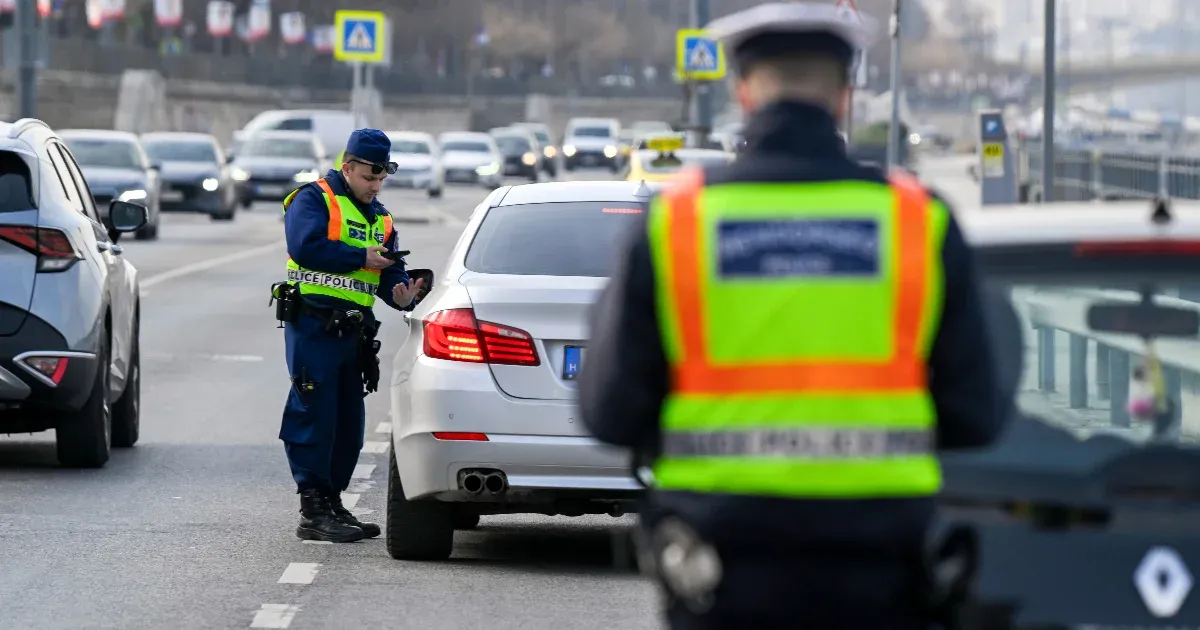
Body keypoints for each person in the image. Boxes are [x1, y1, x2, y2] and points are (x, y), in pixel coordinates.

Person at [577, 3, 1007, 628]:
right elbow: (976, 415)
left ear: (743, 91)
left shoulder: (678, 222)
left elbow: (610, 411)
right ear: (844, 94)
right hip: (881, 563)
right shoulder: (919, 220)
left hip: (720, 564)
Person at [279, 129, 425, 543]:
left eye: (381, 179)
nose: (375, 186)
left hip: (354, 332)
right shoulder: (314, 199)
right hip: (313, 324)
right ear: (348, 167)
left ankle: (333, 500)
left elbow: (388, 268)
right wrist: (360, 257)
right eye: (369, 177)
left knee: (348, 422)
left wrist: (402, 293)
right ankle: (312, 508)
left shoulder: (382, 218)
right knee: (314, 412)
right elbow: (305, 246)